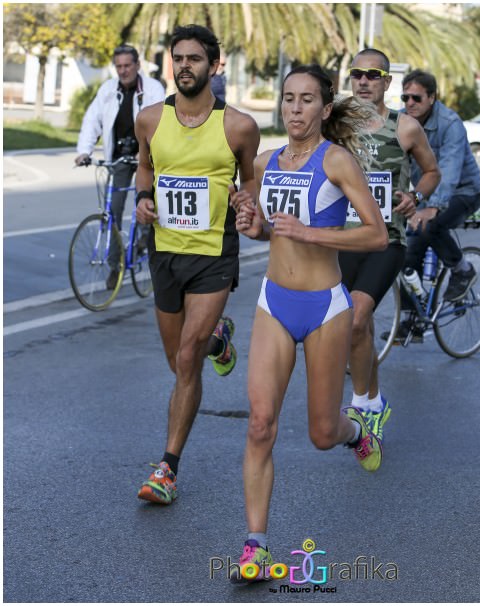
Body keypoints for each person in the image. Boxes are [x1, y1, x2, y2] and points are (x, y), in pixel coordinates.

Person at [228, 64, 389, 582]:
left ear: (324, 108)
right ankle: (254, 545)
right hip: (274, 301)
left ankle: (355, 431)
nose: (295, 109)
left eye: (306, 101)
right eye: (288, 99)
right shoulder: (268, 162)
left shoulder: (337, 160)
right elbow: (267, 234)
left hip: (325, 306)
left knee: (322, 433)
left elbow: (377, 235)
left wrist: (315, 234)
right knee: (259, 425)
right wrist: (254, 226)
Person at [133, 24, 260, 504]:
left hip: (213, 253)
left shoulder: (238, 126)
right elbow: (146, 164)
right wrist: (144, 197)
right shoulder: (149, 119)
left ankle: (167, 468)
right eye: (178, 58)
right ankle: (217, 340)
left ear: (214, 65)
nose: (185, 66)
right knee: (179, 360)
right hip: (164, 249)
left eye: (194, 59)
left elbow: (249, 181)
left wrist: (245, 203)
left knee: (187, 359)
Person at [338, 49, 439, 439]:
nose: (364, 81)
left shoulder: (406, 127)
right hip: (342, 238)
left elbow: (431, 171)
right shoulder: (335, 124)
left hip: (386, 239)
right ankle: (375, 399)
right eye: (358, 74)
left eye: (373, 74)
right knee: (349, 328)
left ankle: (362, 403)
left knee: (358, 318)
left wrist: (415, 195)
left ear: (386, 82)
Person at [75, 45, 166, 290]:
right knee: (112, 212)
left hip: (147, 157)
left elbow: (161, 122)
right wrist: (84, 150)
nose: (123, 71)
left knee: (146, 205)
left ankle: (142, 244)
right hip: (119, 157)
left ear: (137, 65)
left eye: (128, 65)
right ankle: (117, 266)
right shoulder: (107, 89)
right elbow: (92, 119)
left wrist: (145, 149)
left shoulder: (154, 89)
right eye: (119, 66)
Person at [400, 69, 480, 308]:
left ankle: (462, 270)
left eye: (416, 98)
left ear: (432, 98)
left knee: (430, 226)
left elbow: (448, 171)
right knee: (408, 248)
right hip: (425, 194)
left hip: (464, 191)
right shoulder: (400, 121)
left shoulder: (450, 124)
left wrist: (433, 207)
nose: (410, 103)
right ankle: (411, 317)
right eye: (405, 98)